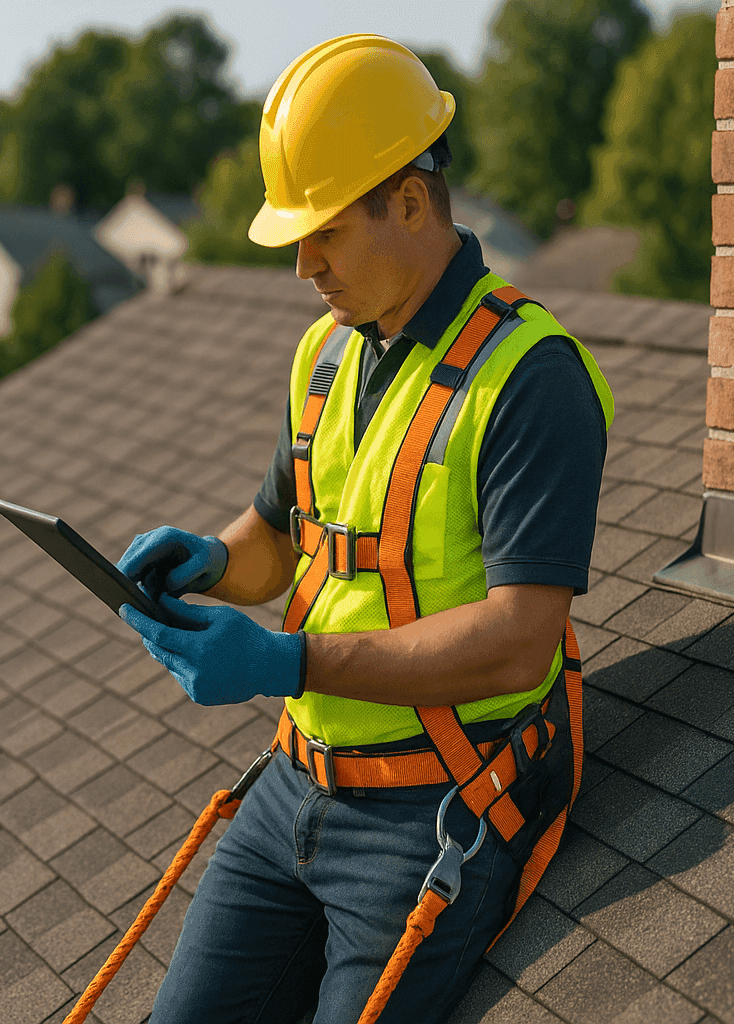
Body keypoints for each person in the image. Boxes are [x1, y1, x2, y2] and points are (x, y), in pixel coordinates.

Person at [115, 33, 612, 1024]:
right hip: (294, 788)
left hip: (431, 808)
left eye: (324, 233)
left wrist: (284, 663)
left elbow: (519, 642)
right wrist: (211, 561)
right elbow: (278, 536)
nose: (303, 266)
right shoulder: (325, 357)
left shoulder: (530, 378)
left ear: (413, 203)